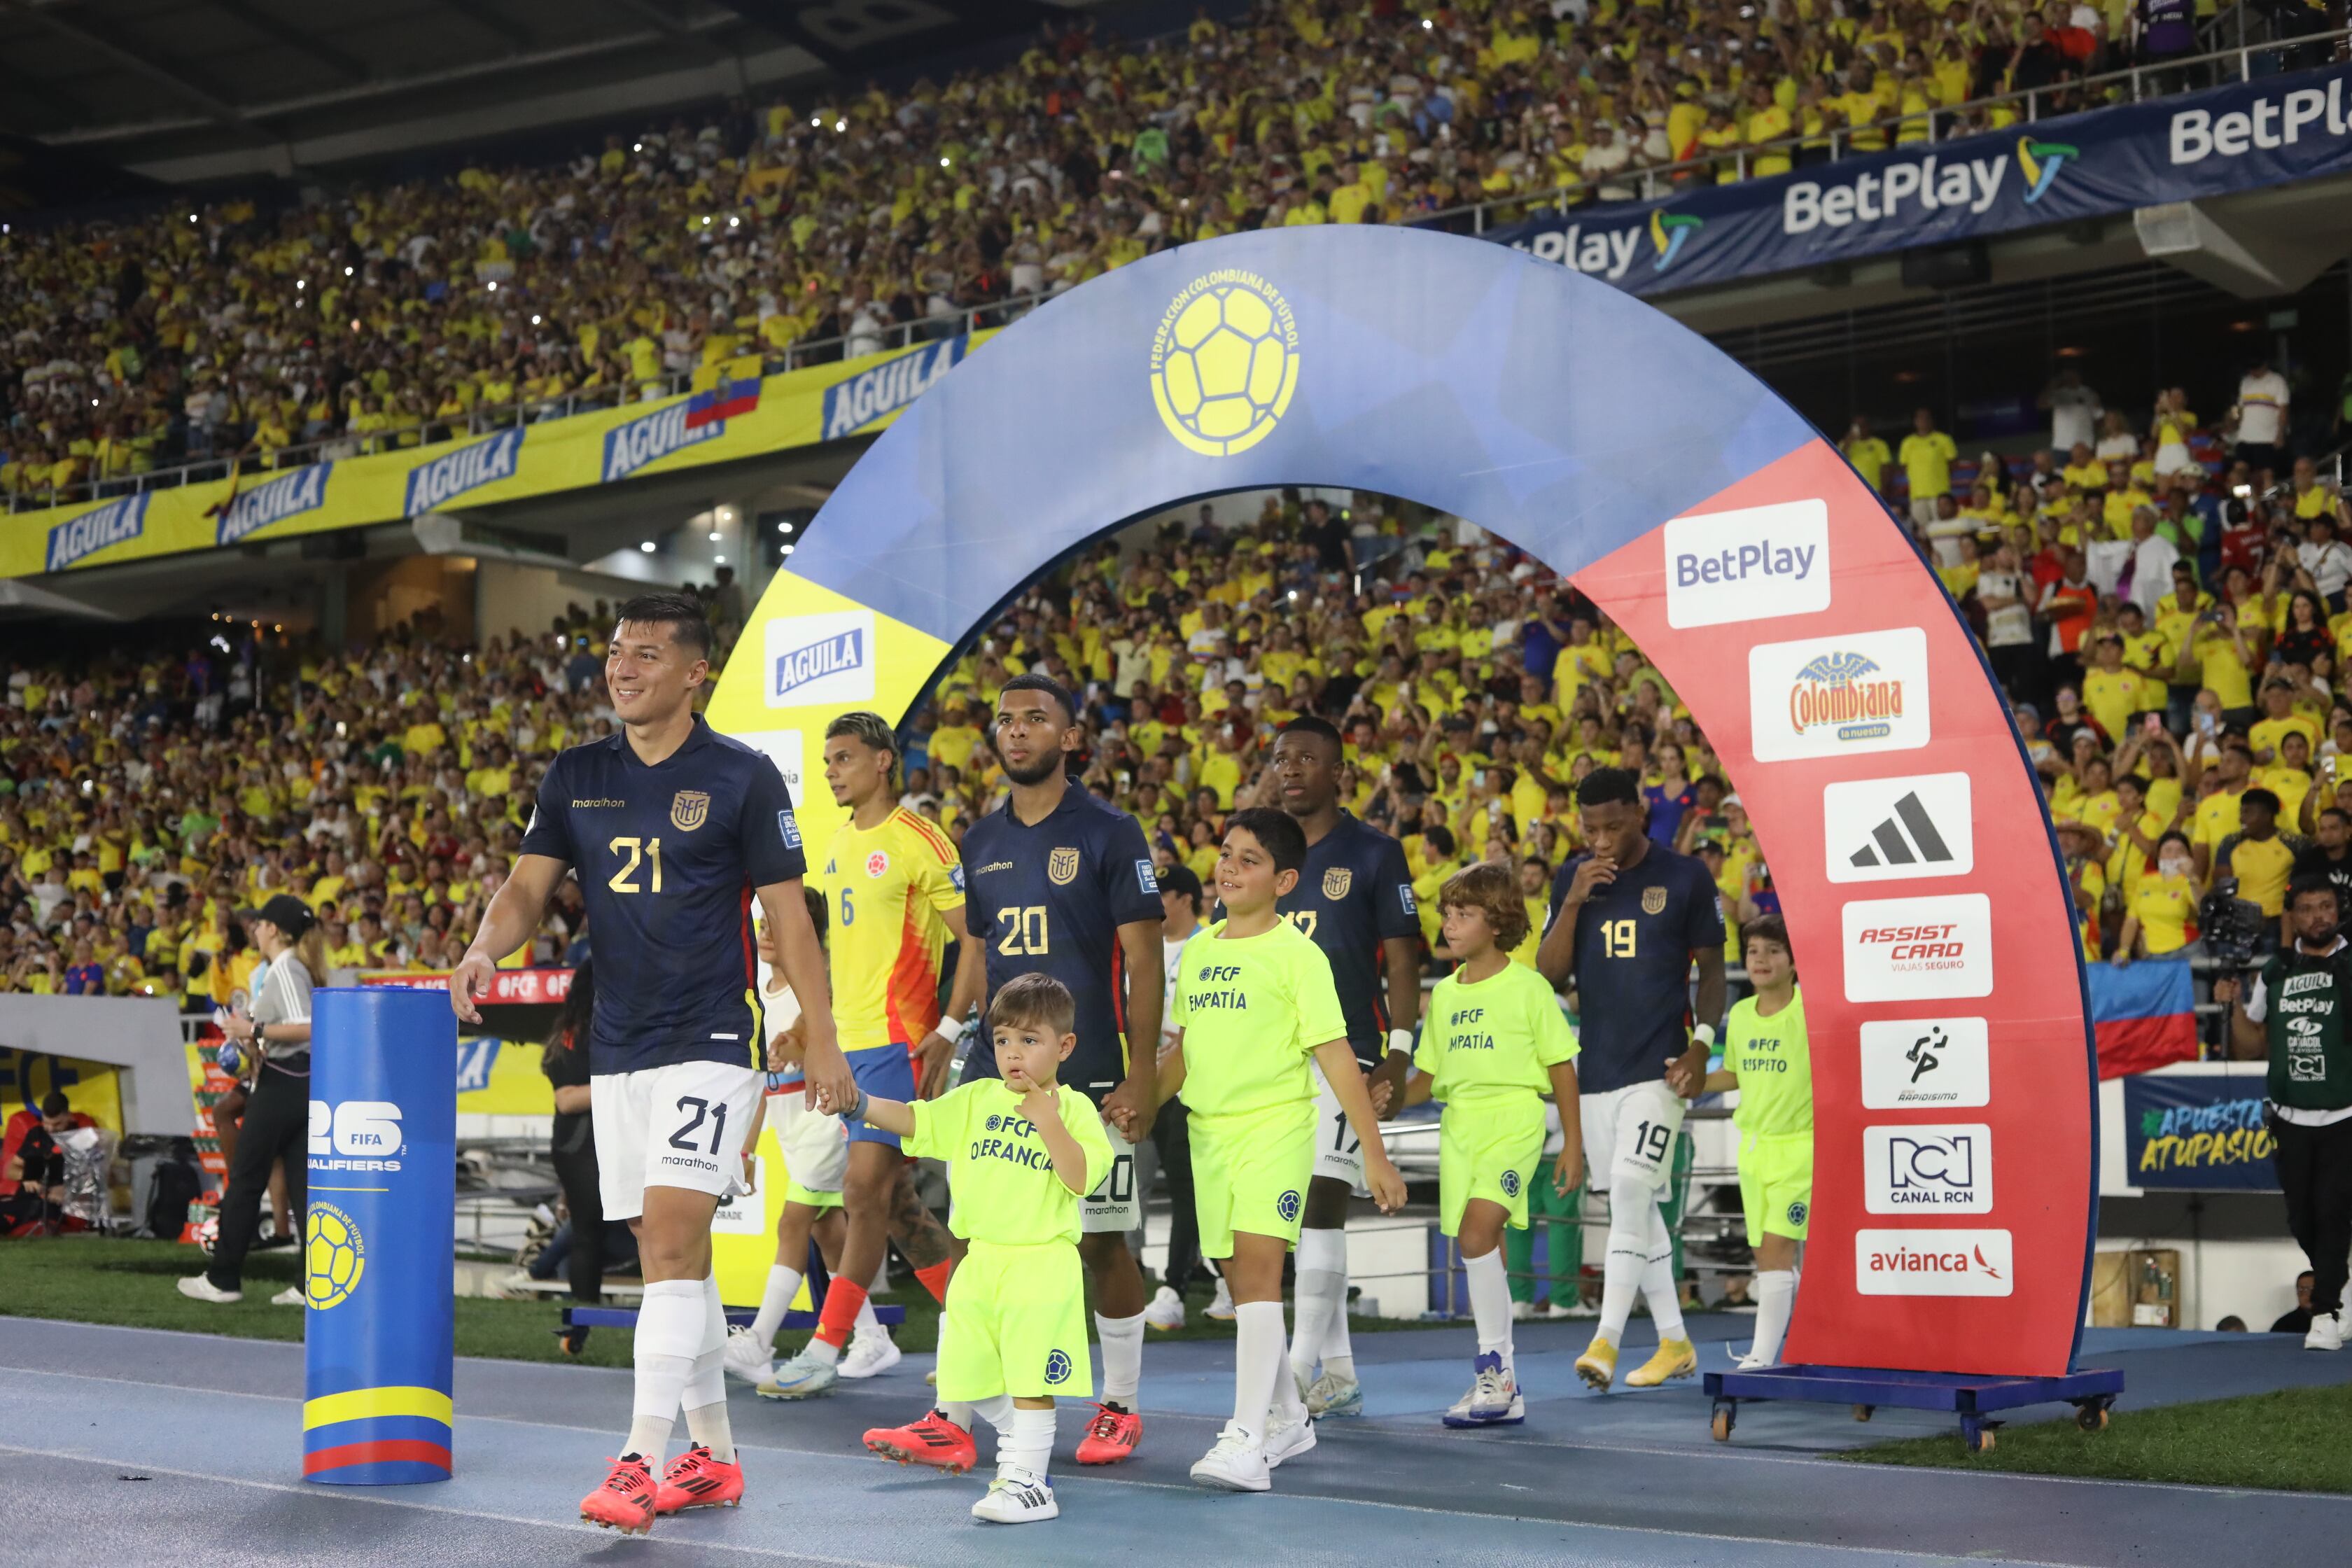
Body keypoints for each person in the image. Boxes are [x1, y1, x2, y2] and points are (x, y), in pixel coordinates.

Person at [451, 590, 850, 1535]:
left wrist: (824, 1037)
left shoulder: (744, 778)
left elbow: (789, 920)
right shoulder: (576, 772)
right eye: (615, 653)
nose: (621, 669)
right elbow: (526, 887)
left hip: (712, 1039)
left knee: (668, 1240)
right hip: (621, 1046)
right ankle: (714, 1455)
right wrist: (483, 948)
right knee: (679, 1258)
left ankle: (640, 1460)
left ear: (693, 672)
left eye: (644, 655)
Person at [862, 674, 1163, 1473]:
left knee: (1101, 1241)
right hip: (997, 1069)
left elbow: (1142, 957)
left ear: (1070, 736)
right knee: (979, 1231)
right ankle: (950, 1415)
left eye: (1036, 718)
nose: (1016, 730)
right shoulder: (980, 841)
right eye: (1005, 720)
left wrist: (1137, 1074)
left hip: (1087, 1068)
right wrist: (950, 1029)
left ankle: (1122, 1404)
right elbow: (977, 950)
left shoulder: (1110, 830)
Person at [1158, 808, 1404, 1490]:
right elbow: (1182, 1052)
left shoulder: (1299, 955)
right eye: (1227, 853)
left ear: (1284, 879)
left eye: (1249, 859)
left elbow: (1338, 1057)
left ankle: (1246, 1438)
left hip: (1277, 1129)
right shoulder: (1201, 948)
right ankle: (1290, 1416)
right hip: (1208, 1133)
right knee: (1238, 1278)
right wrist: (1134, 1100)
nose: (1229, 867)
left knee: (1261, 1276)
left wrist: (1375, 1154)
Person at [822, 974, 1110, 1524]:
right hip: (980, 1263)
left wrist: (1048, 1120)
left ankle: (1028, 1484)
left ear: (1064, 1047)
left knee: (1030, 1381)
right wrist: (858, 1104)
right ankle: (1023, 1458)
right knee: (969, 1378)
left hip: (1040, 1264)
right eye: (1003, 1040)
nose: (1014, 1053)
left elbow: (1079, 1179)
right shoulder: (978, 1098)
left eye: (1030, 1040)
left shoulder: (1074, 1111)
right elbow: (915, 1120)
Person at [758, 712, 974, 1399]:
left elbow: (979, 939)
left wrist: (948, 1025)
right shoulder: (836, 845)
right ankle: (978, 1329)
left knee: (860, 1192)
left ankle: (828, 1345)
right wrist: (816, 1038)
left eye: (843, 757)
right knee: (899, 1206)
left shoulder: (921, 839)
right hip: (850, 1045)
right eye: (825, 760)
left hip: (898, 1041)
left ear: (885, 761)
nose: (830, 770)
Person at [1538, 766, 1727, 1390]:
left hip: (1660, 1071)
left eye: (1613, 826)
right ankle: (1674, 1339)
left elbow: (1714, 970)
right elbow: (1550, 975)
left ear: (1641, 812)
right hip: (1597, 1072)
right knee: (1634, 1208)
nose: (1602, 840)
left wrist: (1700, 1046)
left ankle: (1606, 1341)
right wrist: (1572, 899)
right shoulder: (1573, 877)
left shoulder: (1685, 876)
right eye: (1591, 828)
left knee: (1627, 1188)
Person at [1265, 717, 1422, 1418]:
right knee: (1296, 1213)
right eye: (1281, 758)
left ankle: (1294, 1375)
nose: (1292, 768)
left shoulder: (1374, 852)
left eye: (1307, 758)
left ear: (1338, 772)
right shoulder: (1264, 853)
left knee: (1323, 1196)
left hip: (1349, 1052)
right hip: (1271, 1062)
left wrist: (1399, 1049)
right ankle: (1339, 1371)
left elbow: (1403, 958)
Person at [1399, 862, 1581, 1427]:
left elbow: (1561, 1068)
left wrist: (1573, 1144)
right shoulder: (1444, 996)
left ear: (1497, 920)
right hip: (1460, 1128)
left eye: (1464, 914)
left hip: (1514, 1123)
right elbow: (1425, 1081)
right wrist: (1378, 1098)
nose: (1450, 924)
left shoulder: (1530, 986)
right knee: (1481, 1247)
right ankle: (1503, 1383)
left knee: (1478, 1235)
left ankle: (1495, 1374)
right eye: (1447, 913)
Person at [725, 890, 902, 1384]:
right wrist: (747, 1146)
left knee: (793, 1223)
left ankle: (760, 1341)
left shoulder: (821, 983)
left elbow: (831, 1044)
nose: (764, 932)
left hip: (826, 1117)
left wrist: (803, 1048)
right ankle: (872, 1338)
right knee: (828, 1232)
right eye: (762, 924)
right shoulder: (759, 990)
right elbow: (763, 1079)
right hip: (791, 1124)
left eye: (775, 923)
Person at [2213, 877, 2352, 1352]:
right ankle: (2341, 1287)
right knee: (2302, 1220)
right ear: (2292, 916)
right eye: (2309, 908)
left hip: (2343, 1116)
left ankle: (2328, 1314)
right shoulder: (2275, 971)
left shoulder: (2351, 963)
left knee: (2333, 1212)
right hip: (2289, 1119)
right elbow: (2252, 1044)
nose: (2319, 916)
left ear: (2339, 910)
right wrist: (2233, 1005)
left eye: (2326, 907)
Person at [180, 893, 321, 1307]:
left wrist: (252, 1030)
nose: (255, 930)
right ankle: (311, 1283)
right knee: (302, 1190)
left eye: (259, 924)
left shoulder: (286, 967)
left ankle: (223, 1278)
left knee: (244, 1182)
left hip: (281, 1084)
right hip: (296, 1083)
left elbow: (307, 1027)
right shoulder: (291, 967)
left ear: (273, 929)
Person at [1701, 916, 1811, 1368]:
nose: (1761, 959)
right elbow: (1734, 1072)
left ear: (1794, 960)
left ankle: (1764, 1356)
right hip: (1754, 1149)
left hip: (1802, 1147)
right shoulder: (1742, 1014)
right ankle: (1799, 1317)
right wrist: (1690, 1082)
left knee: (1776, 1248)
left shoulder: (1811, 1009)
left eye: (1773, 950)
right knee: (1766, 1252)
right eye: (1753, 951)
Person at [1142, 862, 1228, 1330]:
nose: (1152, 900)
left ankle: (1176, 1287)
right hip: (1148, 1081)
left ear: (1184, 898)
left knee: (1186, 1190)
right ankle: (1222, 1276)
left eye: (1160, 892)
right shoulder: (1145, 945)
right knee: (1182, 1192)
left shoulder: (1208, 944)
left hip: (1191, 1083)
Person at [542, 960, 606, 1355]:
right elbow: (566, 1100)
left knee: (594, 1234)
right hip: (580, 1145)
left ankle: (581, 1324)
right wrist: (625, 1088)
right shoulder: (575, 1034)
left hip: (589, 1144)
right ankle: (580, 1325)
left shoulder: (580, 1030)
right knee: (589, 1234)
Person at [2269, 1270, 2316, 1335]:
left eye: (2314, 1289)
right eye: (2304, 1289)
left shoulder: (2332, 1321)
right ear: (2297, 1293)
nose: (2310, 1294)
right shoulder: (2284, 1325)